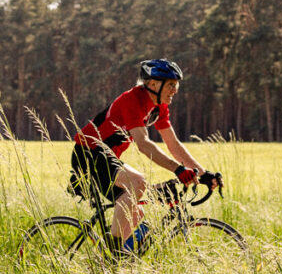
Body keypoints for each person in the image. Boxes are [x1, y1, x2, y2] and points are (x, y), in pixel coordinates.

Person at [70, 58, 210, 255]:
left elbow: (173, 144)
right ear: (153, 84)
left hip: (108, 157)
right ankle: (114, 250)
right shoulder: (132, 101)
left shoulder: (159, 106)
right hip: (89, 153)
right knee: (138, 182)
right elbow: (143, 144)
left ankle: (110, 265)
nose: (175, 90)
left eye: (176, 85)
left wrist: (204, 174)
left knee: (137, 211)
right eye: (171, 85)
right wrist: (178, 169)